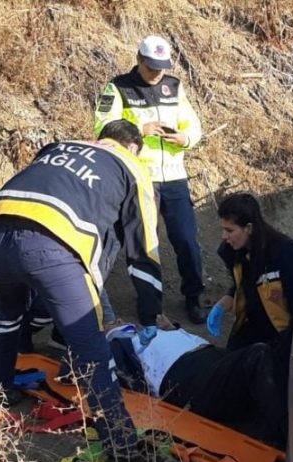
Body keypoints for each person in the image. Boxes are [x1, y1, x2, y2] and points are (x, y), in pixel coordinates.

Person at [0, 119, 176, 462]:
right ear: (133, 148)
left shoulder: (60, 145)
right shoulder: (133, 167)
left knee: (4, 315)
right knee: (90, 344)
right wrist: (151, 313)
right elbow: (144, 246)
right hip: (52, 241)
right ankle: (123, 448)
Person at [94, 34, 207, 325]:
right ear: (139, 59)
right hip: (138, 179)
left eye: (163, 67)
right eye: (152, 66)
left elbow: (193, 126)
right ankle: (151, 306)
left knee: (186, 240)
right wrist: (140, 129)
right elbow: (103, 129)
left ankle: (193, 296)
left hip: (175, 177)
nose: (158, 73)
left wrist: (185, 139)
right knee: (144, 244)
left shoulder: (174, 87)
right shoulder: (118, 88)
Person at [108, 319, 287, 449]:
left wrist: (173, 328)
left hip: (211, 358)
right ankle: (285, 437)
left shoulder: (152, 331)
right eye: (111, 322)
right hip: (187, 375)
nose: (116, 319)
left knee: (281, 347)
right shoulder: (122, 346)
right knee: (259, 355)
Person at [208, 193, 293, 359]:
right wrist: (226, 300)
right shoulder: (231, 251)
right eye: (223, 229)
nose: (224, 237)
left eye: (230, 230)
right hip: (250, 324)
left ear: (249, 228)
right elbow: (243, 284)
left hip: (280, 330)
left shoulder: (285, 252)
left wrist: (289, 346)